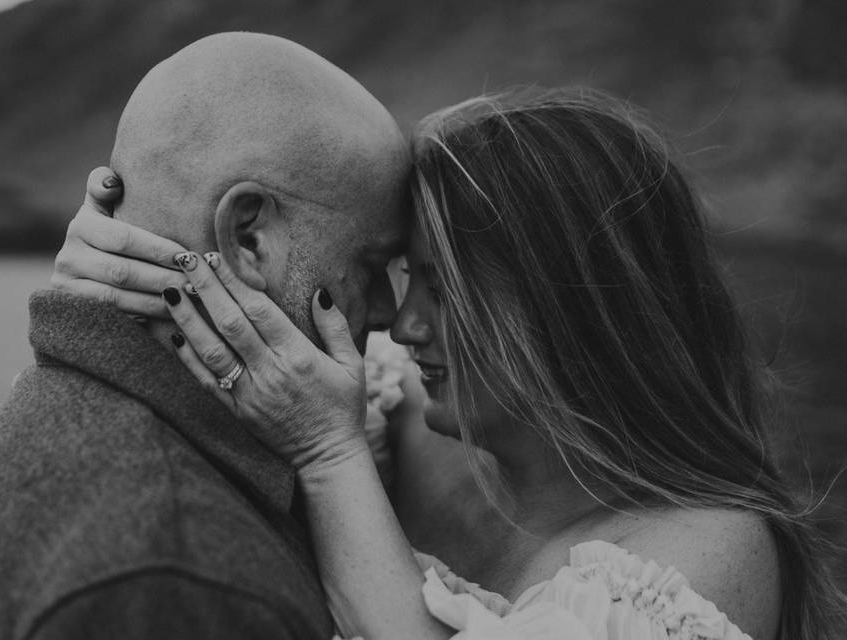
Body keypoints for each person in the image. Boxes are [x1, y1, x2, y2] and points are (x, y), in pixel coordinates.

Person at [53, 89, 847, 639]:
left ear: (568, 308)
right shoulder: (402, 421)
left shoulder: (708, 551)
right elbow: (237, 350)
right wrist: (135, 250)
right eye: (406, 280)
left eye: (441, 289)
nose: (401, 326)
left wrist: (328, 457)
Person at [0, 32, 409, 639]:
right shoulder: (174, 584)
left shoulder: (82, 408)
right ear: (248, 237)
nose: (390, 315)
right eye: (371, 267)